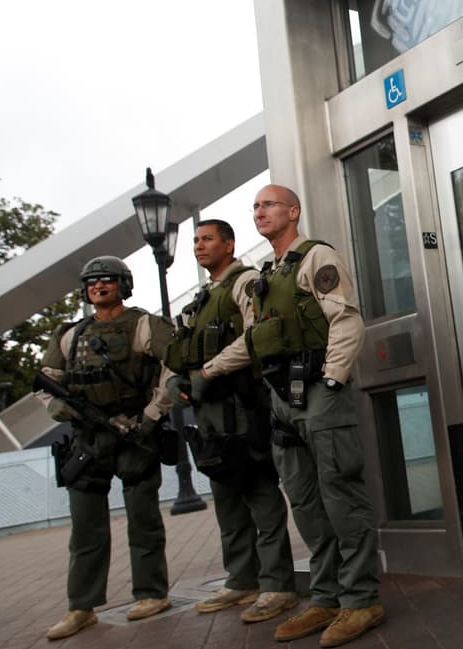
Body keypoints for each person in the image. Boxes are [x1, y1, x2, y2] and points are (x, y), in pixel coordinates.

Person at [228, 184, 383, 647]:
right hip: (281, 399)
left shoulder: (316, 257)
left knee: (341, 497)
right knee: (306, 502)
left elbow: (346, 319)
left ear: (293, 211)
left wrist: (332, 379)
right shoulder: (267, 273)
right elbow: (255, 338)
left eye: (269, 204)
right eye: (255, 207)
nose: (260, 212)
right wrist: (208, 368)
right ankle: (326, 596)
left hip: (318, 391)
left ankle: (362, 600)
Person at [164, 219, 298, 623]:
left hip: (244, 409)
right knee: (226, 499)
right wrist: (177, 382)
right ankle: (242, 580)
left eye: (207, 239)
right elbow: (180, 353)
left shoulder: (245, 283)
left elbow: (255, 336)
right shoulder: (204, 297)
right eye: (195, 241)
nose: (199, 246)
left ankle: (277, 585)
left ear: (229, 244)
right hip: (211, 417)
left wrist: (209, 373)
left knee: (260, 493)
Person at [38, 256, 174, 640]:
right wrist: (56, 406)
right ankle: (81, 606)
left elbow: (173, 369)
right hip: (88, 439)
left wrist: (151, 415)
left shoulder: (145, 324)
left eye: (107, 280)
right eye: (92, 282)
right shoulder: (70, 334)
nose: (99, 286)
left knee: (143, 519)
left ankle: (151, 593)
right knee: (85, 528)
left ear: (123, 285)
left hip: (133, 433)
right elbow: (46, 380)